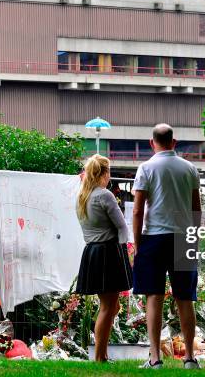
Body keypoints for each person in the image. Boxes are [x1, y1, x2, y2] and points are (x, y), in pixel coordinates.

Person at [132, 124, 201, 369]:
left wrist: (138, 244)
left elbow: (138, 210)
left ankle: (155, 358)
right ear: (174, 142)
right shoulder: (190, 168)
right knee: (185, 298)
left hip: (154, 237)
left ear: (152, 143)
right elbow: (196, 209)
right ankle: (190, 357)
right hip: (183, 237)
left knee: (154, 297)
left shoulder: (146, 168)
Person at [75, 154, 132, 362]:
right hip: (108, 252)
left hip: (92, 252)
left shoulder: (83, 196)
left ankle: (103, 353)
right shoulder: (104, 195)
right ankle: (100, 357)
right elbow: (122, 227)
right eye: (108, 172)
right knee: (108, 308)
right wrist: (128, 252)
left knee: (111, 307)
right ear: (104, 173)